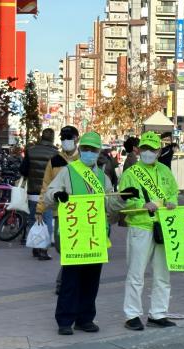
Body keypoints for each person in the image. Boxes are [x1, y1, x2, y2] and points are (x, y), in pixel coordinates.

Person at [45, 132, 124, 335]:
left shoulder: (103, 177)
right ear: (80, 150)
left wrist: (124, 197)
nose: (89, 153)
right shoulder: (68, 171)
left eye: (93, 149)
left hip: (96, 235)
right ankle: (64, 320)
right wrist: (58, 195)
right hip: (74, 235)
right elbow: (49, 192)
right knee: (70, 280)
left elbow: (111, 205)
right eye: (86, 149)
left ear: (99, 152)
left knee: (91, 281)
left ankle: (85, 318)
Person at [118, 131, 179, 330]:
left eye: (152, 149)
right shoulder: (130, 173)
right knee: (136, 274)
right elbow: (124, 203)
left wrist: (172, 203)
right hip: (140, 227)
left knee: (163, 274)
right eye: (145, 148)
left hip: (163, 227)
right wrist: (142, 205)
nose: (148, 152)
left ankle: (158, 313)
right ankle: (132, 315)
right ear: (139, 149)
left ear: (159, 150)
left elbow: (173, 193)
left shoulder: (165, 171)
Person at [36, 126, 80, 290]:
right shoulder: (54, 161)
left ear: (77, 138)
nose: (66, 141)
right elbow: (46, 186)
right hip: (60, 211)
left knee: (74, 247)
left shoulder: (84, 159)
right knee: (61, 247)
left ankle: (63, 281)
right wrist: (40, 208)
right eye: (63, 138)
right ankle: (67, 278)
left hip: (81, 211)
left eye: (69, 137)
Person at [21, 128, 58, 260]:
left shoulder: (31, 151)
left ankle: (35, 248)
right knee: (47, 220)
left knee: (33, 219)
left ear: (41, 137)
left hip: (32, 192)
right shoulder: (55, 153)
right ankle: (43, 250)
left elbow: (23, 171)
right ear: (52, 138)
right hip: (47, 193)